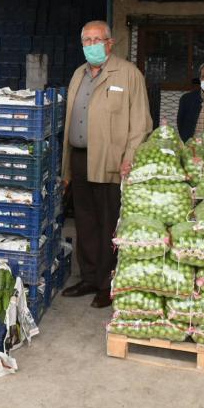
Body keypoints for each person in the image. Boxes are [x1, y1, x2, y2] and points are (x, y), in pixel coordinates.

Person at [60, 20, 152, 308]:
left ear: (109, 43)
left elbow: (141, 122)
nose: (91, 45)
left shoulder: (128, 74)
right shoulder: (78, 74)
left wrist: (130, 157)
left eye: (96, 40)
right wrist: (66, 168)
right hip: (80, 157)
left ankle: (107, 282)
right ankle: (88, 277)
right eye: (86, 40)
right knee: (84, 222)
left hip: (111, 160)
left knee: (109, 223)